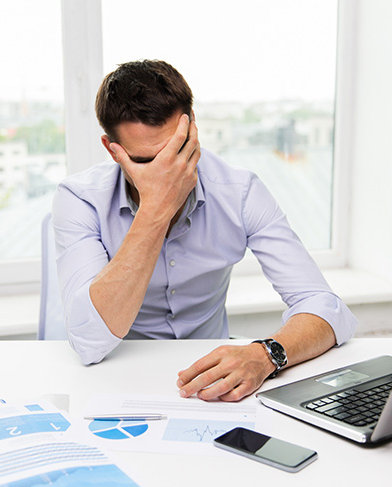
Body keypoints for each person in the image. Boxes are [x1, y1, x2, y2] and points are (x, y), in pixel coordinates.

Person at [52, 59, 357, 402]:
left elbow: (329, 310)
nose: (166, 173)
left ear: (192, 128)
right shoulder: (79, 199)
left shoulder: (239, 192)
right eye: (146, 162)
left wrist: (265, 355)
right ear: (113, 150)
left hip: (213, 385)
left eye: (176, 152)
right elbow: (89, 342)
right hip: (118, 380)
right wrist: (155, 209)